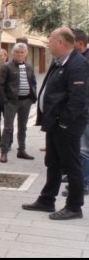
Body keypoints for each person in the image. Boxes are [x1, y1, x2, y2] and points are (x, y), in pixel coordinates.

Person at [22, 27, 89, 220]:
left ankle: (74, 207)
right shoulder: (58, 61)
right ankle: (46, 200)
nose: (48, 43)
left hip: (67, 124)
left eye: (50, 39)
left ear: (61, 42)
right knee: (53, 162)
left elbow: (79, 99)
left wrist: (64, 123)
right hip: (54, 122)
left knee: (71, 164)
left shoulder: (78, 64)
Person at [0, 43, 37, 163]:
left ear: (26, 53)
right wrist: (4, 100)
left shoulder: (29, 67)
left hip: (26, 101)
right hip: (11, 101)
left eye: (22, 52)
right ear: (12, 53)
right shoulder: (6, 67)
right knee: (8, 128)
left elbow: (33, 82)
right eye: (17, 52)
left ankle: (21, 150)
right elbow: (0, 85)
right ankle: (4, 152)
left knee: (22, 127)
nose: (20, 54)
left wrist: (32, 97)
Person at [62, 29, 89, 197]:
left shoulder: (84, 61)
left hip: (84, 109)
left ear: (79, 43)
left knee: (85, 149)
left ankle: (84, 182)